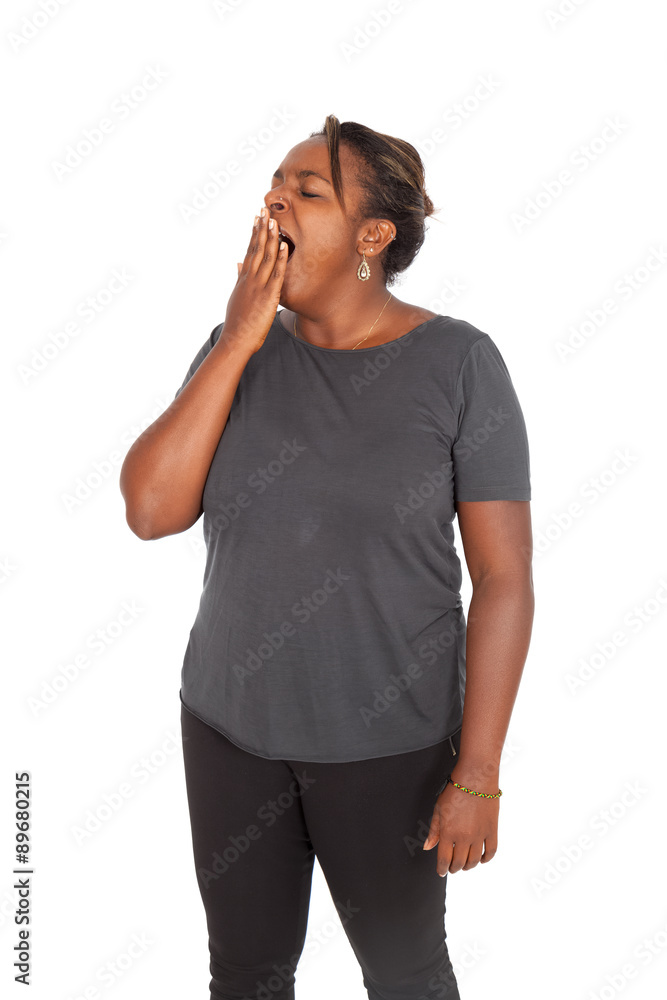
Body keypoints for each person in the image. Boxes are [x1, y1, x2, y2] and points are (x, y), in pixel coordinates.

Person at [119, 115, 534, 1000]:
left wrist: (478, 775)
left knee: (405, 976)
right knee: (245, 975)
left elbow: (503, 580)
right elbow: (151, 513)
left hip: (389, 746)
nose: (275, 200)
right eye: (276, 183)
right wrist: (238, 339)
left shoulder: (459, 363)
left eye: (307, 191)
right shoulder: (239, 347)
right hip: (228, 730)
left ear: (371, 237)